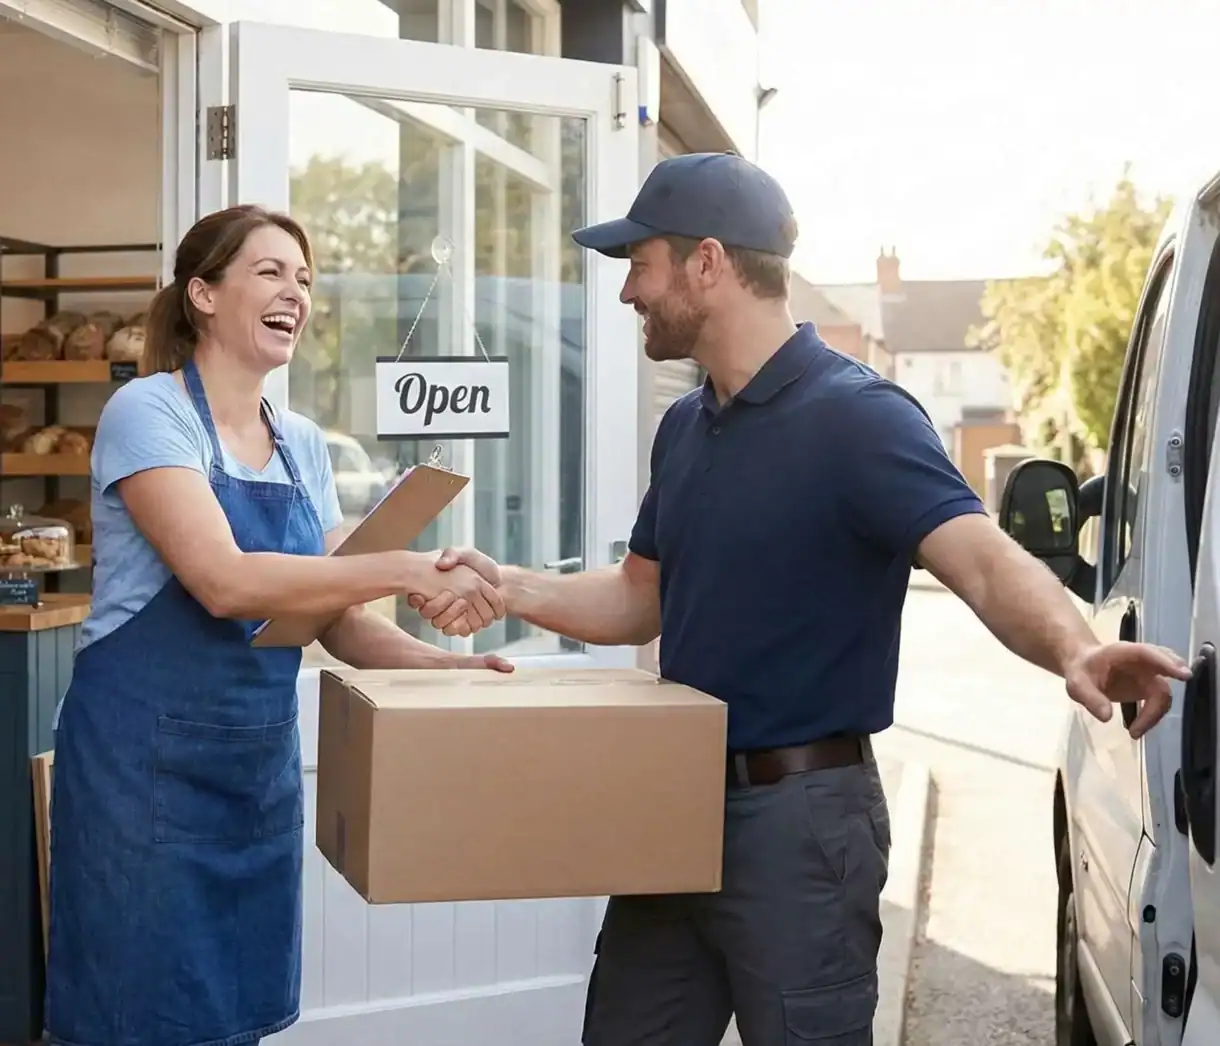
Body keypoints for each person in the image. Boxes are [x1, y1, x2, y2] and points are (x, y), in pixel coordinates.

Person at [416, 153, 1193, 1045]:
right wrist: (504, 585)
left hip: (802, 824)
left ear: (708, 262)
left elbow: (979, 558)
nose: (629, 292)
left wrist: (1077, 649)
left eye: (642, 263)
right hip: (669, 801)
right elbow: (641, 598)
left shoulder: (858, 417)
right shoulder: (687, 424)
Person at [44, 204, 509, 1046]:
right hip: (141, 776)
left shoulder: (300, 443)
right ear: (203, 295)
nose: (294, 290)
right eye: (269, 272)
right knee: (137, 1015)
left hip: (253, 777)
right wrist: (404, 566)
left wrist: (449, 669)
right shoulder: (149, 414)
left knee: (233, 1019)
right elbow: (223, 582)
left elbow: (337, 621)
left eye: (303, 278)